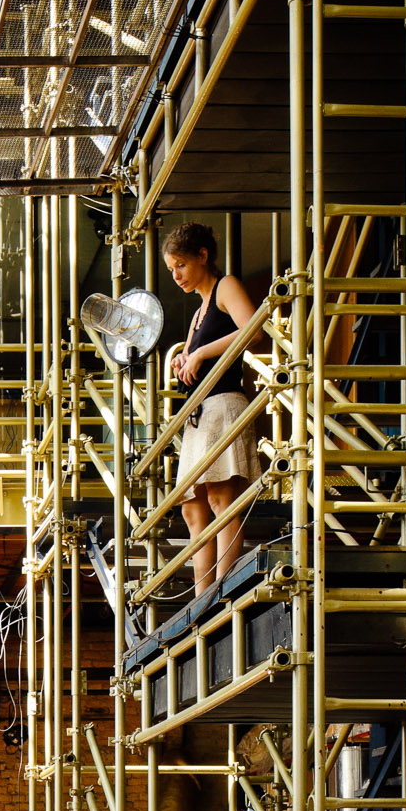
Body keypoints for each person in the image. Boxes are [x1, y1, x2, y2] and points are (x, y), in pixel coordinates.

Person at [162, 220, 261, 593]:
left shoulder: (225, 286)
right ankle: (202, 597)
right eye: (172, 269)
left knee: (221, 500)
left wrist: (201, 352)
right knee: (192, 509)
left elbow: (253, 329)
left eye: (181, 265)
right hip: (200, 413)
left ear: (202, 256)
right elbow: (196, 357)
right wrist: (184, 359)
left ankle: (222, 592)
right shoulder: (199, 310)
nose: (177, 276)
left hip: (223, 404)